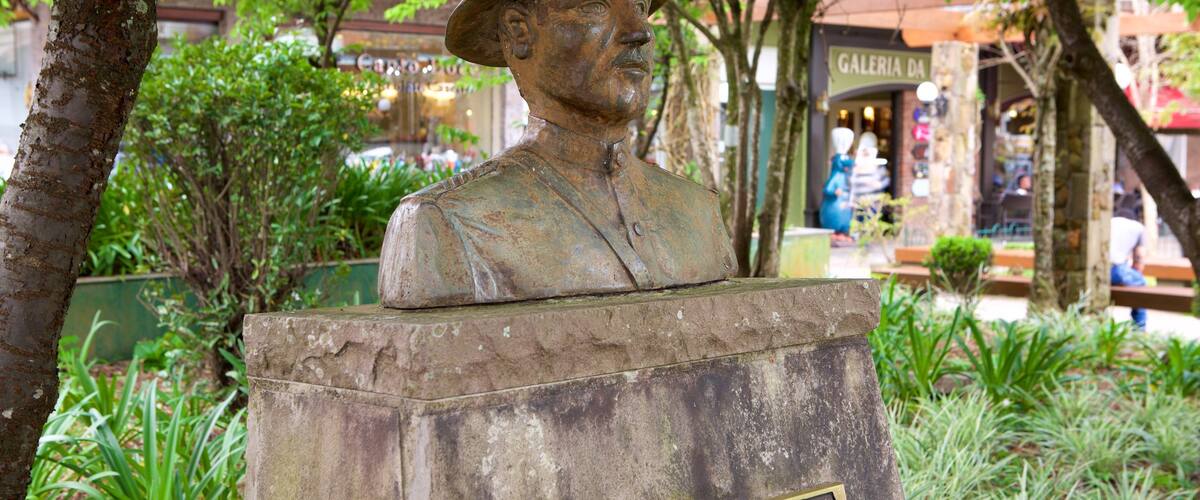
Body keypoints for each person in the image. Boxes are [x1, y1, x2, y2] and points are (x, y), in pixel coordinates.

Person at [377, 0, 734, 308]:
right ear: (519, 31)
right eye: (594, 6)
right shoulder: (446, 224)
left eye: (639, 7)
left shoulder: (698, 211)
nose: (639, 32)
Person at [1110, 208, 1147, 330]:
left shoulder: (1109, 222)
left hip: (1100, 269)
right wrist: (1137, 274)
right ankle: (1139, 328)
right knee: (1141, 284)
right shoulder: (1138, 227)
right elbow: (1139, 256)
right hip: (1116, 270)